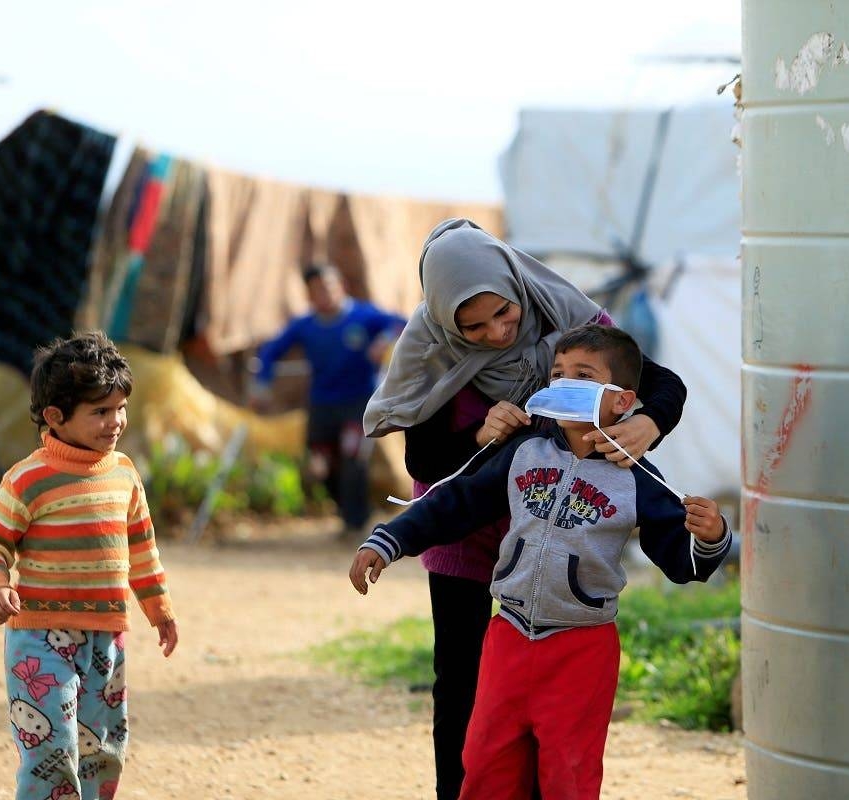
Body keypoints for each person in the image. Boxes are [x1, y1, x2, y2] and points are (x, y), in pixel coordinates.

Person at [363, 219, 688, 800]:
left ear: (518, 286)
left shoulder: (568, 323)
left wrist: (648, 422)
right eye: (474, 325)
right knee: (462, 679)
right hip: (463, 527)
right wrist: (478, 438)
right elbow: (424, 456)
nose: (494, 333)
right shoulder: (431, 352)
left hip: (555, 528)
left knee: (546, 681)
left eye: (504, 314)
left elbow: (658, 384)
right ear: (445, 318)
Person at [0, 331, 178, 800]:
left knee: (102, 748)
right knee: (52, 750)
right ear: (55, 417)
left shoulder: (124, 473)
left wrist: (159, 608)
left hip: (107, 637)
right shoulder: (29, 478)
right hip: (41, 640)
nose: (116, 422)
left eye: (120, 408)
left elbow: (142, 549)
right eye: (100, 412)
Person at [252, 263, 406, 538]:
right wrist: (261, 384)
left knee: (353, 458)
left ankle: (354, 522)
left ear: (341, 287)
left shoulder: (364, 315)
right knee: (320, 466)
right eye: (317, 290)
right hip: (322, 405)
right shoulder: (305, 326)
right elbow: (270, 351)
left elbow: (402, 322)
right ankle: (346, 509)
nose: (325, 294)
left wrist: (384, 339)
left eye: (329, 287)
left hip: (359, 404)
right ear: (309, 295)